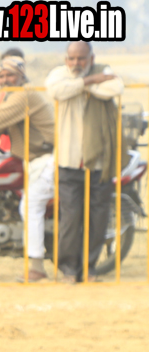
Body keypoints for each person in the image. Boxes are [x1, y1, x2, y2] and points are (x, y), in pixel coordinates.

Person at [46, 42, 124, 283]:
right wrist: (89, 82)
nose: (76, 63)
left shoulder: (103, 69)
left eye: (81, 58)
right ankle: (69, 270)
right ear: (66, 59)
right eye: (72, 58)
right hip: (68, 160)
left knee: (98, 218)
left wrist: (81, 85)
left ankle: (89, 268)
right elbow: (56, 90)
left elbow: (115, 87)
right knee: (70, 219)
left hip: (99, 161)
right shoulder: (60, 74)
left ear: (91, 58)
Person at [0, 55, 55, 281]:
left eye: (10, 74)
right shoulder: (16, 96)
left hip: (48, 158)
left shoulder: (23, 95)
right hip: (35, 160)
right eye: (1, 76)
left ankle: (36, 268)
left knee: (30, 206)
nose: (5, 80)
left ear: (21, 75)